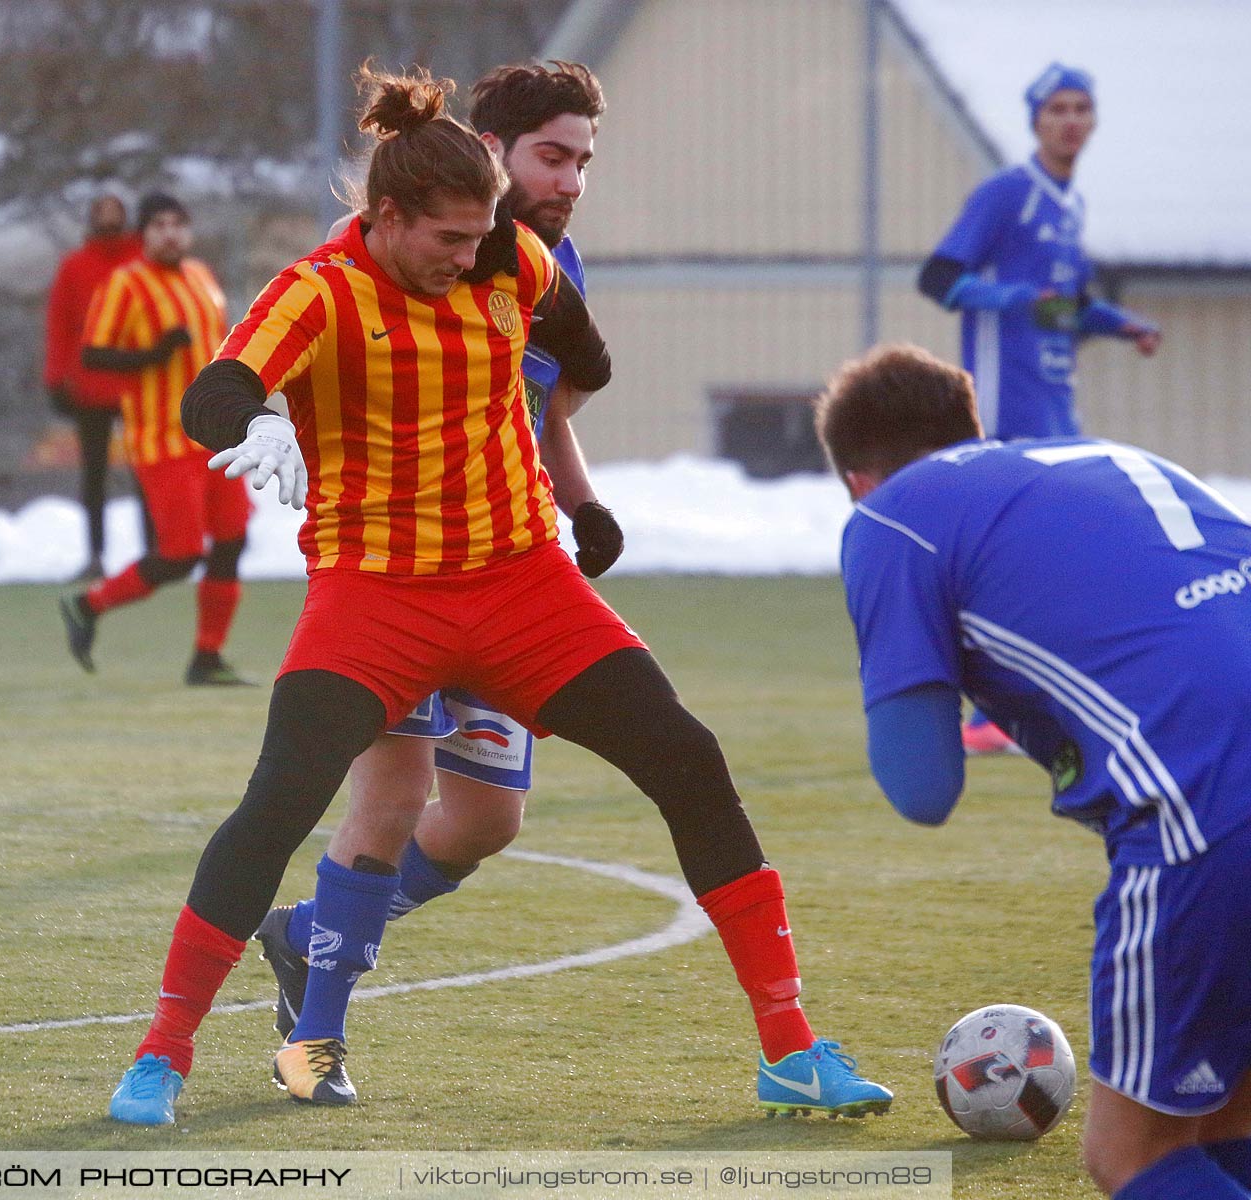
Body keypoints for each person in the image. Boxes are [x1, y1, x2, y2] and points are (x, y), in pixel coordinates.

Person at [104, 64, 890, 1126]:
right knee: (281, 802)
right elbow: (216, 391)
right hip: (377, 594)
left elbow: (579, 351)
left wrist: (570, 479)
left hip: (522, 583)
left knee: (687, 760)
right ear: (385, 217)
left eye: (483, 240)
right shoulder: (318, 290)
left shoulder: (510, 258)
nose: (473, 260)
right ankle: (164, 1054)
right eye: (448, 242)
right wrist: (258, 424)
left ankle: (791, 1049)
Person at [252, 60, 626, 1103]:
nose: (572, 179)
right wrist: (270, 424)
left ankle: (308, 936)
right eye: (552, 156)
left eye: (584, 160)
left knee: (483, 821)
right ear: (492, 152)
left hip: (507, 572)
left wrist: (582, 503)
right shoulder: (397, 249)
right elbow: (286, 350)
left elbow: (545, 407)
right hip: (396, 573)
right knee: (395, 795)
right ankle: (314, 1047)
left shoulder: (553, 268)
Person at [820, 343, 1251, 1200]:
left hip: (1206, 805)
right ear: (973, 430)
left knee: (1135, 1155)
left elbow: (922, 786)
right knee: (1228, 1115)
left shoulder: (891, 517)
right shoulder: (1109, 458)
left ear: (858, 481)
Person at [916, 63, 1162, 756]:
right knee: (1005, 561)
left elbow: (1069, 306)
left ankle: (1033, 706)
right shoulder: (1007, 194)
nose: (1071, 120)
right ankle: (978, 715)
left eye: (1082, 107)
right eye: (1057, 108)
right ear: (1035, 120)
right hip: (1002, 407)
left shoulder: (1068, 206)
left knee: (1068, 558)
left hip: (1055, 413)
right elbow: (938, 277)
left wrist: (1125, 325)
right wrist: (1009, 300)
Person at [57, 193, 253, 686]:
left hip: (213, 439)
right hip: (161, 440)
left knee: (231, 540)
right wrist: (153, 354)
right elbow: (94, 355)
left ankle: (207, 657)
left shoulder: (201, 277)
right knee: (180, 554)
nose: (170, 234)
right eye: (159, 225)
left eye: (178, 224)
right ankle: (88, 604)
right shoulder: (124, 283)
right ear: (143, 234)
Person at [43, 193, 141, 580]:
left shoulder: (140, 262)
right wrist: (55, 378)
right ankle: (96, 553)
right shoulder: (76, 267)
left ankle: (159, 551)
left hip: (138, 383)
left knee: (148, 471)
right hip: (92, 385)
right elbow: (61, 324)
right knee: (94, 474)